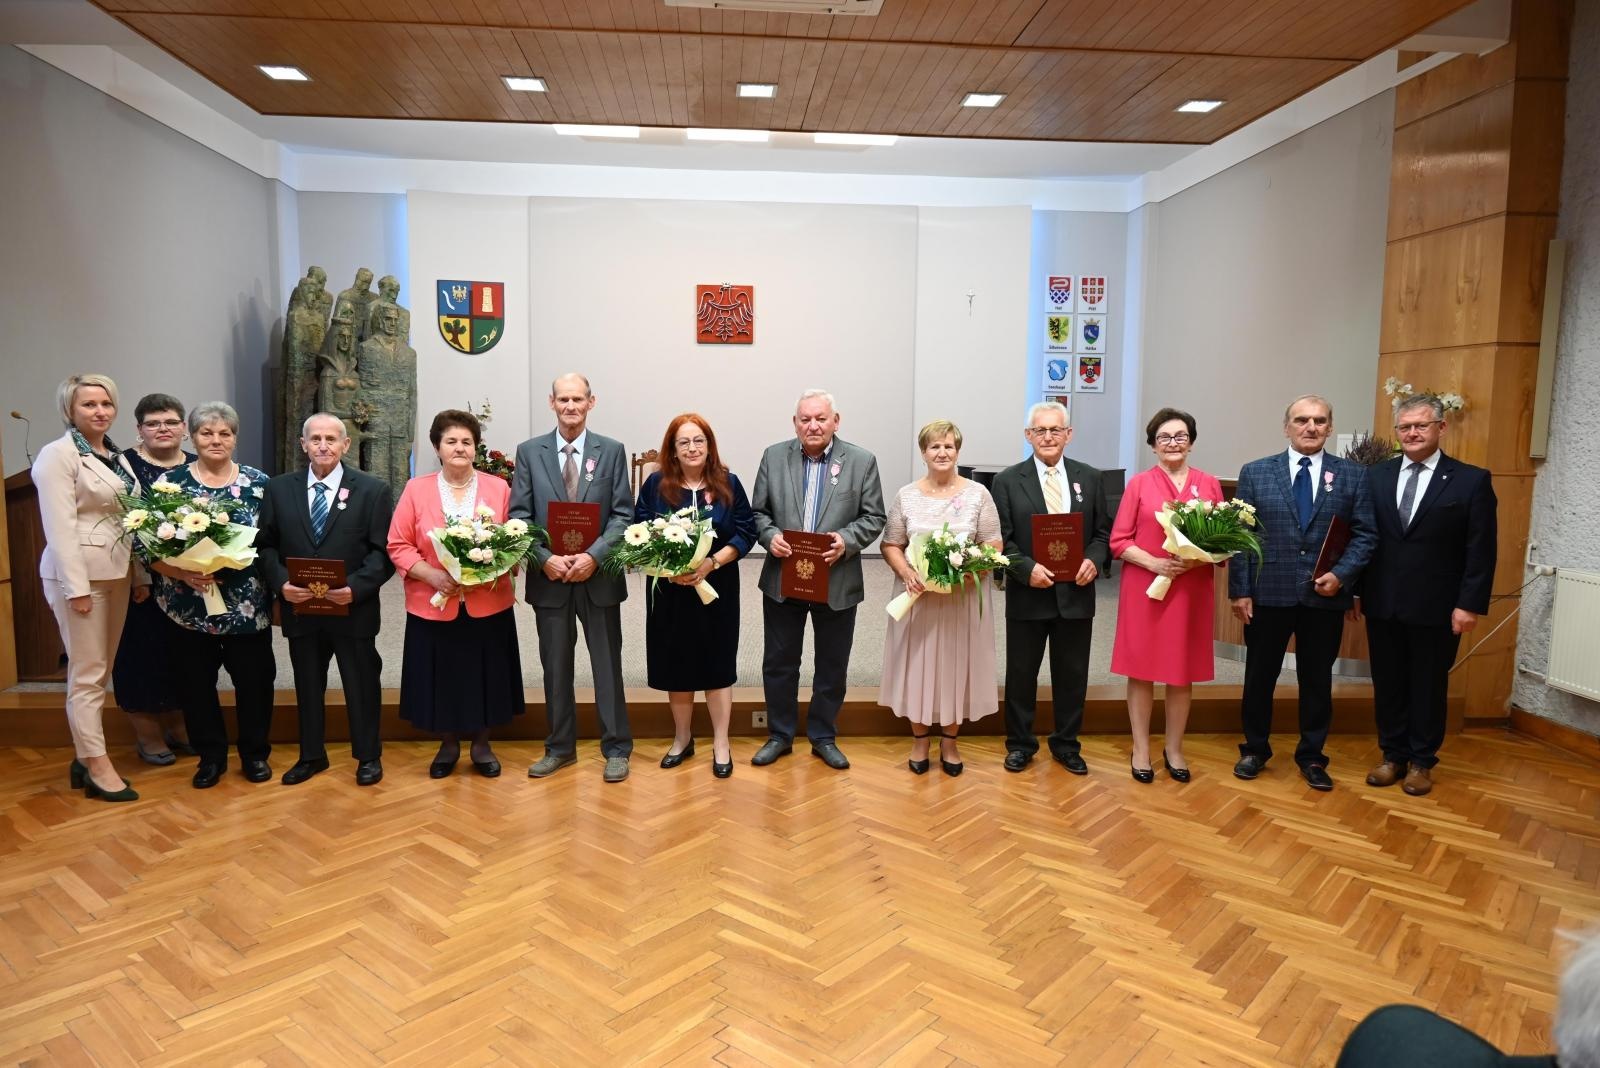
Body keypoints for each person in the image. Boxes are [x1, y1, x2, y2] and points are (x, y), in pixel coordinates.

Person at [1230, 395, 1377, 791]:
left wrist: (1343, 576)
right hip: (1267, 593)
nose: (1310, 427)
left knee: (1317, 680)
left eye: (1319, 420)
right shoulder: (1256, 472)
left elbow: (1366, 534)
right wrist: (1240, 591)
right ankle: (1254, 750)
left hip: (1323, 596)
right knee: (1259, 676)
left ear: (1329, 428)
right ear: (1286, 426)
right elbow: (1242, 535)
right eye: (1301, 420)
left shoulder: (1353, 476)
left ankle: (1312, 756)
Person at [1352, 394, 1496, 796]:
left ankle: (1421, 761)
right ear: (1397, 432)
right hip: (1383, 601)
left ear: (1441, 428)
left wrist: (1469, 604)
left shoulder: (1471, 480)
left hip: (1439, 606)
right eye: (1404, 427)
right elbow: (1367, 538)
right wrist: (1358, 593)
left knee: (1428, 684)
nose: (1412, 433)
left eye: (1421, 425)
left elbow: (1481, 549)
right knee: (1389, 681)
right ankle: (1391, 756)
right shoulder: (1376, 476)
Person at [750, 389, 887, 770]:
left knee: (831, 663)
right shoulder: (774, 456)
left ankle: (823, 736)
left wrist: (846, 540)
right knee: (779, 662)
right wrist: (769, 536)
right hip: (783, 577)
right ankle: (779, 734)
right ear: (795, 423)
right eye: (805, 419)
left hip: (837, 579)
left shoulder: (861, 461)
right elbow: (757, 512)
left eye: (820, 419)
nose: (813, 426)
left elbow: (874, 517)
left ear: (835, 421)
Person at [258, 412, 395, 787]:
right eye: (315, 439)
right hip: (300, 608)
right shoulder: (278, 489)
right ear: (303, 445)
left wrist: (355, 587)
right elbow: (265, 545)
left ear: (345, 445)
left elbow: (383, 553)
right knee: (307, 684)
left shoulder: (372, 490)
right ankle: (311, 755)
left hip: (353, 608)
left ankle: (368, 756)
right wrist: (281, 583)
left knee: (361, 684)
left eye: (331, 439)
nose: (323, 445)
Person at [509, 374, 634, 782]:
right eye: (563, 399)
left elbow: (622, 516)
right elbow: (519, 517)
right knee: (556, 667)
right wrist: (542, 558)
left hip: (597, 579)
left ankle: (616, 748)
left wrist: (594, 557)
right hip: (551, 580)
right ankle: (560, 748)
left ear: (591, 402)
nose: (570, 406)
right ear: (551, 403)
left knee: (607, 667)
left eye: (577, 399)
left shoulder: (611, 451)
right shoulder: (530, 452)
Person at [145, 402, 277, 789]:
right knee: (196, 687)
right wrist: (183, 572)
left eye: (225, 433)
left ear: (235, 438)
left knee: (255, 685)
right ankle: (211, 756)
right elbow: (148, 550)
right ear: (192, 436)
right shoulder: (170, 486)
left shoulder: (259, 483)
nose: (216, 440)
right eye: (207, 433)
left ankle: (255, 755)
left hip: (246, 609)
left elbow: (272, 542)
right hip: (187, 608)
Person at [388, 409, 526, 778]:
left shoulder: (499, 488)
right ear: (437, 447)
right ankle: (448, 745)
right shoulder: (416, 490)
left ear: (476, 448)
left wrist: (489, 569)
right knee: (441, 674)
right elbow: (398, 544)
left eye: (467, 441)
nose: (460, 448)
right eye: (451, 441)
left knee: (488, 673)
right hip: (435, 602)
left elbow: (514, 541)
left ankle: (482, 745)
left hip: (487, 601)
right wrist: (432, 575)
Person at [34, 374, 144, 802]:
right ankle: (97, 766)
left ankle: (84, 757)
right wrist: (75, 588)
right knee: (87, 674)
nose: (100, 411)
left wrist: (139, 576)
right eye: (88, 405)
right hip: (79, 580)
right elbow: (60, 530)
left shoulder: (115, 455)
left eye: (106, 404)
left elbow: (128, 521)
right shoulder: (57, 456)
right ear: (70, 410)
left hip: (115, 575)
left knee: (100, 671)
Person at [635, 413, 758, 778]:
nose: (692, 448)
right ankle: (682, 737)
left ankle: (722, 741)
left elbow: (745, 532)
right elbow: (638, 527)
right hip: (669, 591)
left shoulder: (728, 483)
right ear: (672, 449)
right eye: (683, 442)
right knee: (676, 664)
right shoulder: (656, 485)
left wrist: (711, 563)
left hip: (715, 589)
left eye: (698, 441)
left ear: (709, 445)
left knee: (716, 663)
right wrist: (666, 566)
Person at [991, 400, 1111, 775]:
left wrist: (1094, 558)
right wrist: (1025, 569)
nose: (1047, 437)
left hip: (1075, 594)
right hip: (1029, 592)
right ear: (1028, 436)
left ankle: (1066, 743)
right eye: (1039, 430)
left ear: (1068, 435)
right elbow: (1001, 541)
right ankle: (1020, 743)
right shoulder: (1008, 481)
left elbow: (1102, 533)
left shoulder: (1089, 478)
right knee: (1021, 674)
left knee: (1072, 673)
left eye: (1055, 430)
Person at [879, 420, 1002, 776]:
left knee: (955, 664)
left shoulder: (978, 495)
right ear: (923, 453)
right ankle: (919, 739)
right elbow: (891, 544)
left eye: (949, 446)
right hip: (918, 598)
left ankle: (949, 740)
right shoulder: (907, 495)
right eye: (934, 447)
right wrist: (907, 573)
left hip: (960, 599)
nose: (942, 452)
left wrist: (970, 570)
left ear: (958, 451)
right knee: (917, 663)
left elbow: (993, 543)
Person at [1110, 408, 1225, 783]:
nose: (1172, 443)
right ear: (1153, 445)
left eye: (1180, 436)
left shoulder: (1208, 484)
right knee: (1141, 669)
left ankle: (1174, 748)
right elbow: (1119, 541)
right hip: (1146, 587)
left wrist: (1196, 561)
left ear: (1191, 441)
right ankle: (1140, 747)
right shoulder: (1139, 484)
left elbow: (1222, 540)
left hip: (1190, 589)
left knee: (1181, 671)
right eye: (1164, 437)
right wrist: (1156, 564)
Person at [112, 392, 195, 765]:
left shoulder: (197, 465)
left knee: (182, 656)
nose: (163, 429)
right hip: (140, 582)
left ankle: (179, 727)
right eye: (153, 423)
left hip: (189, 582)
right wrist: (138, 575)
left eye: (171, 422)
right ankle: (147, 734)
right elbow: (120, 526)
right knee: (141, 655)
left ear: (184, 429)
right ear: (139, 430)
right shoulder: (122, 467)